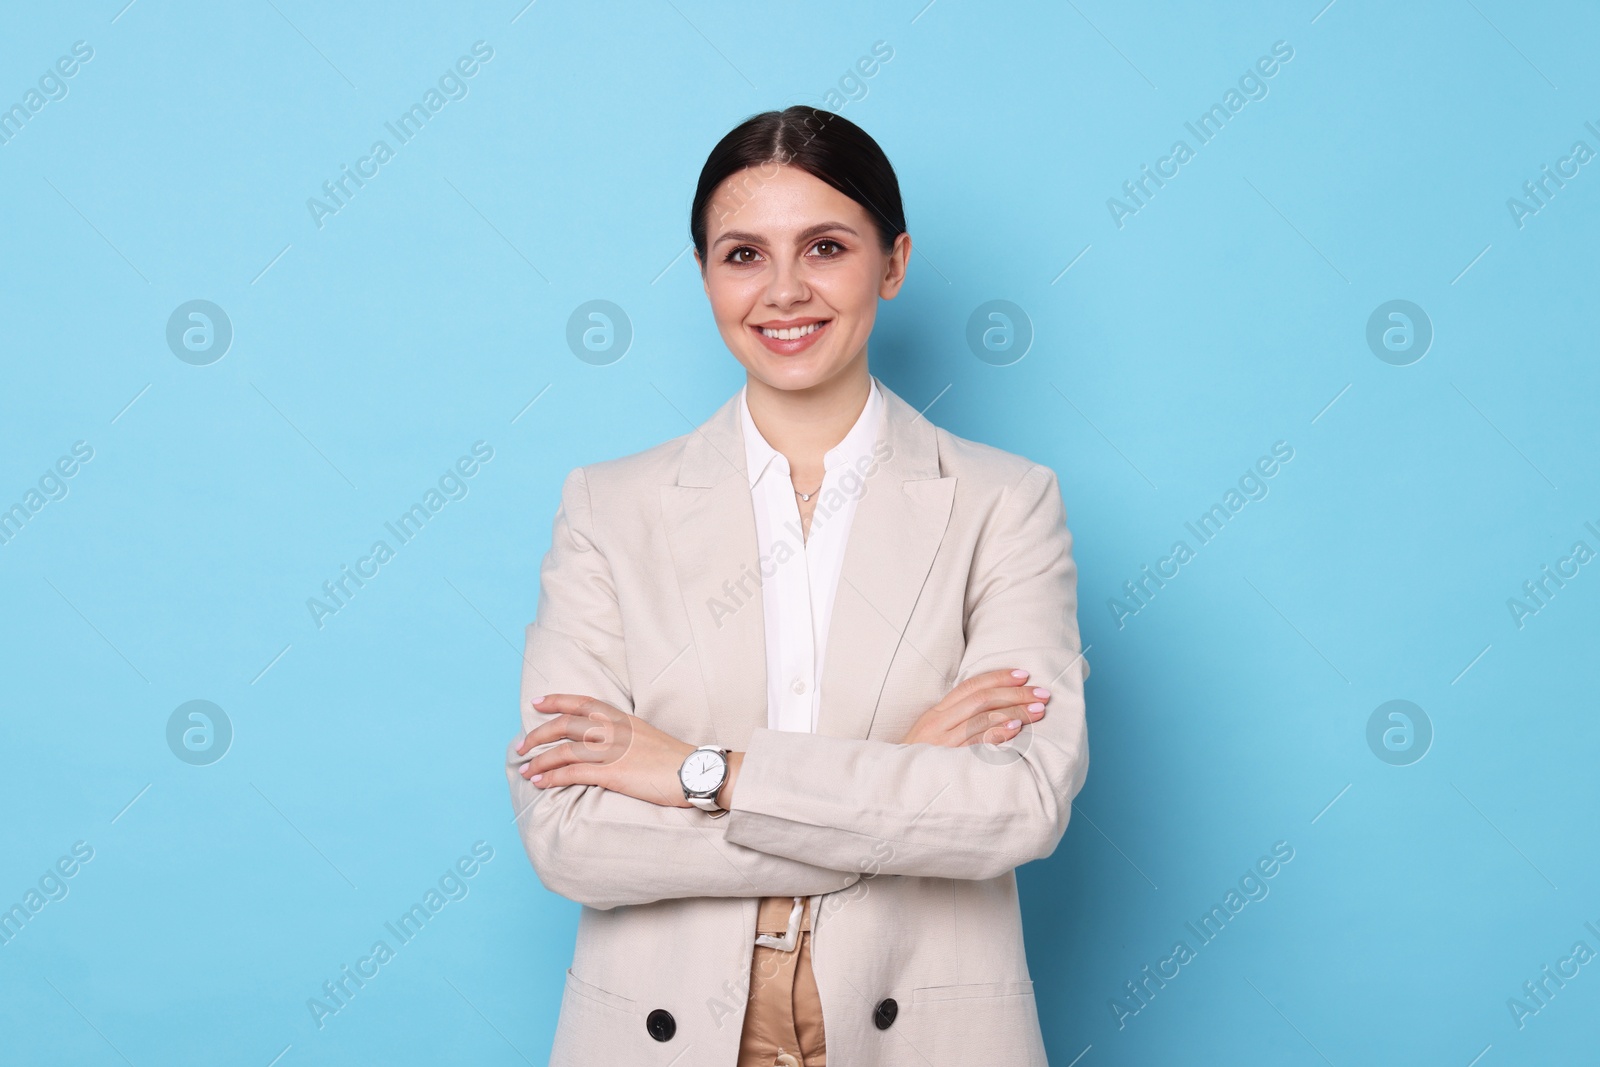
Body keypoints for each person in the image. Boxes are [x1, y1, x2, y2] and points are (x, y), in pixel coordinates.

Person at [506, 105, 1089, 1066]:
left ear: (893, 263)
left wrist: (700, 772)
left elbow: (1017, 805)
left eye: (825, 246)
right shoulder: (606, 509)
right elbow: (569, 837)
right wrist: (903, 769)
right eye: (743, 255)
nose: (784, 291)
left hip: (928, 1034)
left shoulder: (1005, 503)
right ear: (703, 275)